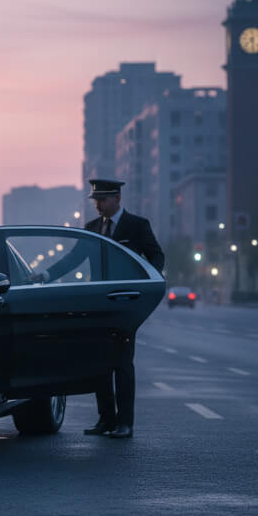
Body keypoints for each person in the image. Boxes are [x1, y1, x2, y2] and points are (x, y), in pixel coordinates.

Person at [78, 178, 163, 438]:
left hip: (126, 305)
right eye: (96, 200)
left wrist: (145, 284)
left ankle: (125, 422)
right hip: (99, 305)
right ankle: (106, 420)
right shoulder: (91, 228)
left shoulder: (137, 226)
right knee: (100, 364)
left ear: (117, 198)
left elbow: (156, 257)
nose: (98, 205)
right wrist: (44, 276)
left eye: (102, 200)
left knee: (123, 364)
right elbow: (75, 257)